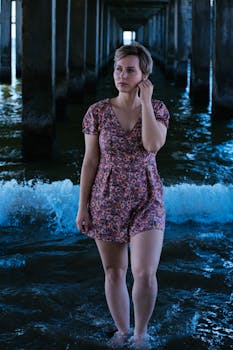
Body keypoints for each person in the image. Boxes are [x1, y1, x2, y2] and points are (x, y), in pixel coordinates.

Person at [76, 41, 170, 349]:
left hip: (147, 196)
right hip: (106, 196)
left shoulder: (157, 109)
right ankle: (122, 330)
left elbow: (153, 146)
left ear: (144, 74)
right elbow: (90, 161)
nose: (122, 75)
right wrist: (83, 207)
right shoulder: (97, 112)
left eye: (130, 70)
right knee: (114, 272)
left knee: (144, 272)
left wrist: (144, 103)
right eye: (118, 69)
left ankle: (141, 335)